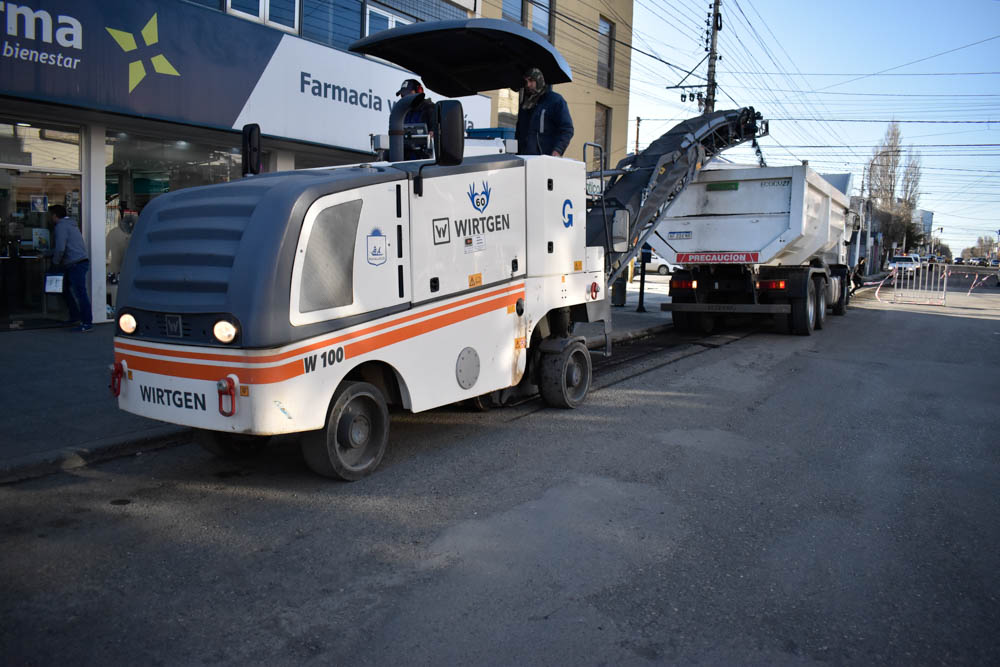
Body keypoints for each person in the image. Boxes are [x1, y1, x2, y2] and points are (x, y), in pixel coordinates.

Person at [50, 204, 92, 331]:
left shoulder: (61, 227)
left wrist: (55, 262)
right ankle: (75, 316)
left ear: (54, 215)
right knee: (66, 289)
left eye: (50, 215)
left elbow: (60, 248)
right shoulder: (71, 225)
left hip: (75, 263)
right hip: (78, 261)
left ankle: (86, 322)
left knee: (80, 293)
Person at [515, 67, 574, 157]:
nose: (528, 85)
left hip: (545, 160)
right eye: (526, 82)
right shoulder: (525, 105)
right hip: (524, 159)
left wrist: (558, 150)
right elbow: (519, 133)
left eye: (531, 81)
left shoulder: (555, 101)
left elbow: (567, 129)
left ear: (539, 80)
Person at [396, 78, 435, 160]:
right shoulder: (403, 112)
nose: (405, 97)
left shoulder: (431, 109)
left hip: (423, 159)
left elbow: (435, 132)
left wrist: (432, 133)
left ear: (419, 92)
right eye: (403, 95)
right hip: (404, 157)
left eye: (408, 94)